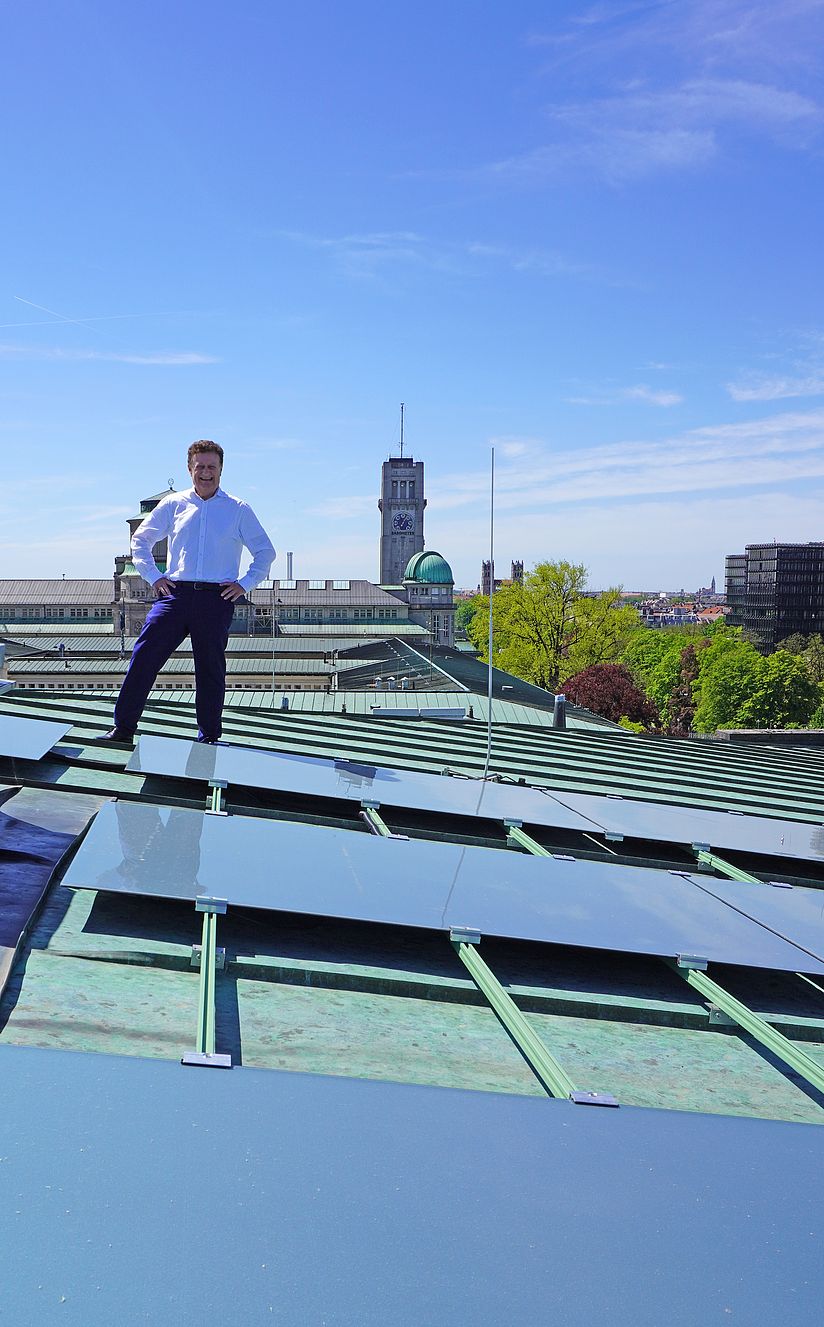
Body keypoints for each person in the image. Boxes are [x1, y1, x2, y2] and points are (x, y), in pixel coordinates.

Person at [103, 440, 275, 744]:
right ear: (189, 469)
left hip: (215, 599)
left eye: (211, 467)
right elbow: (140, 541)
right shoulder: (174, 505)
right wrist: (154, 577)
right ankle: (123, 729)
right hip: (175, 595)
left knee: (210, 669)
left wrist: (244, 584)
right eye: (200, 467)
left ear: (221, 469)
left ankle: (208, 736)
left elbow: (265, 552)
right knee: (144, 657)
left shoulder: (238, 509)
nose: (205, 473)